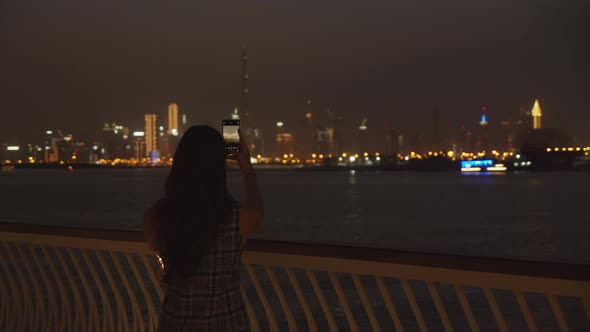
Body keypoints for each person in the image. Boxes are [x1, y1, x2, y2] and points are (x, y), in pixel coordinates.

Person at [143, 125, 263, 331]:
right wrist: (247, 169)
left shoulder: (156, 217)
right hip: (226, 324)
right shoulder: (236, 220)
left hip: (175, 324)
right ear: (219, 167)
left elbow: (156, 246)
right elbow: (257, 212)